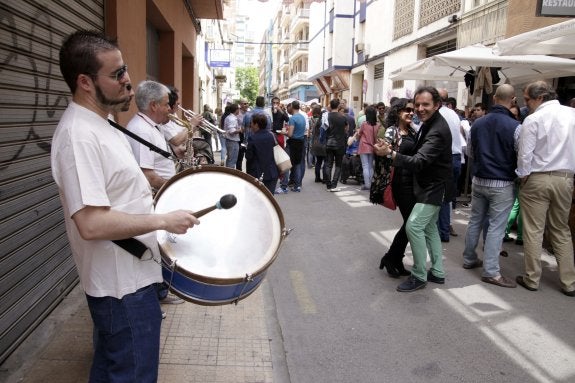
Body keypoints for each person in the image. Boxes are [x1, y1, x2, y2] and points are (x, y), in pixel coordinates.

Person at [51, 30, 199, 382]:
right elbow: (91, 224)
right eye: (117, 74)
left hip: (131, 278)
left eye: (126, 69)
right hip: (121, 288)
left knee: (109, 371)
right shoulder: (79, 136)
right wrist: (163, 220)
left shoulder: (102, 125)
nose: (128, 81)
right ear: (85, 82)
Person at [375, 86, 452, 292]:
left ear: (437, 105)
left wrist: (390, 154)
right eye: (417, 104)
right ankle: (437, 271)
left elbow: (420, 161)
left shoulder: (437, 129)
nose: (419, 109)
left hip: (432, 187)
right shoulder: (428, 124)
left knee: (414, 226)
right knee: (429, 228)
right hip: (422, 185)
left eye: (425, 104)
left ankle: (419, 275)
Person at [515, 81, 575, 297]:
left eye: (527, 99)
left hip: (538, 177)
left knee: (534, 230)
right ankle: (569, 282)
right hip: (565, 178)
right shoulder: (572, 114)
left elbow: (525, 154)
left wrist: (523, 176)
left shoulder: (534, 119)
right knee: (561, 229)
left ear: (539, 98)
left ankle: (532, 278)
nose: (526, 103)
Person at [461, 84, 520, 288]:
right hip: (502, 182)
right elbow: (521, 156)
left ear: (494, 98)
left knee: (475, 220)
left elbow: (469, 151)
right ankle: (491, 272)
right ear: (512, 100)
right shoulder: (515, 127)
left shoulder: (477, 124)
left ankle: (469, 258)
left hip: (479, 180)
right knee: (496, 227)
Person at [376, 99, 417, 278]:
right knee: (411, 223)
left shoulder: (413, 130)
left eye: (412, 110)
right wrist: (383, 149)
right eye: (407, 110)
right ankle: (391, 257)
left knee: (411, 224)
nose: (411, 113)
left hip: (414, 182)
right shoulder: (393, 131)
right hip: (400, 183)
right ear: (398, 112)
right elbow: (383, 151)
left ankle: (395, 259)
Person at [437, 89, 462, 242]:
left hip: (443, 158)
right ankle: (444, 231)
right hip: (456, 158)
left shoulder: (438, 115)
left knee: (438, 197)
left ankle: (439, 232)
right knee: (447, 198)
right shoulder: (453, 113)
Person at [246, 113, 278, 194]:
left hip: (257, 173)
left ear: (256, 124)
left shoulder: (252, 138)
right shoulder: (271, 135)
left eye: (252, 123)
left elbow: (249, 157)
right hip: (271, 172)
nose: (251, 125)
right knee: (269, 199)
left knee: (257, 200)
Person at [324, 98, 349, 191]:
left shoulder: (327, 116)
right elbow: (347, 129)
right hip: (340, 143)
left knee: (329, 164)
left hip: (329, 142)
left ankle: (328, 185)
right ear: (338, 106)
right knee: (338, 165)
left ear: (330, 105)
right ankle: (334, 185)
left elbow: (324, 129)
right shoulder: (342, 117)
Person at [355, 105, 379, 190]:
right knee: (370, 166)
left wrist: (358, 133)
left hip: (364, 145)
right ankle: (371, 184)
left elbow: (359, 133)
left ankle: (367, 185)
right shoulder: (377, 125)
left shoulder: (364, 124)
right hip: (372, 146)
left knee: (365, 166)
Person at [284, 100, 307, 192]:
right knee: (297, 164)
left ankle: (284, 185)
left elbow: (290, 134)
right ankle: (297, 185)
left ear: (292, 107)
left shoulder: (292, 118)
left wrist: (283, 132)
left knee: (287, 163)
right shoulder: (302, 117)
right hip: (300, 141)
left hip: (293, 142)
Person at [309, 105, 326, 183]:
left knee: (318, 162)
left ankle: (317, 178)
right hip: (323, 143)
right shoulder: (323, 122)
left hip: (316, 143)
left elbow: (313, 133)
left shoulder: (315, 122)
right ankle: (325, 178)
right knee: (326, 161)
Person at [223, 103, 241, 168]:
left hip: (230, 141)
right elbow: (232, 131)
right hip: (232, 141)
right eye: (239, 109)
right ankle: (230, 174)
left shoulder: (228, 117)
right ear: (236, 110)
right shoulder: (232, 119)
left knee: (230, 160)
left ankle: (228, 173)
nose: (239, 110)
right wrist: (240, 130)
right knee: (232, 161)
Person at [236, 99, 250, 170]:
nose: (246, 105)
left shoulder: (250, 113)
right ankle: (239, 172)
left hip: (248, 138)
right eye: (244, 103)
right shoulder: (237, 114)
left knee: (250, 157)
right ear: (240, 105)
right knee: (239, 157)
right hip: (240, 137)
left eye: (247, 103)